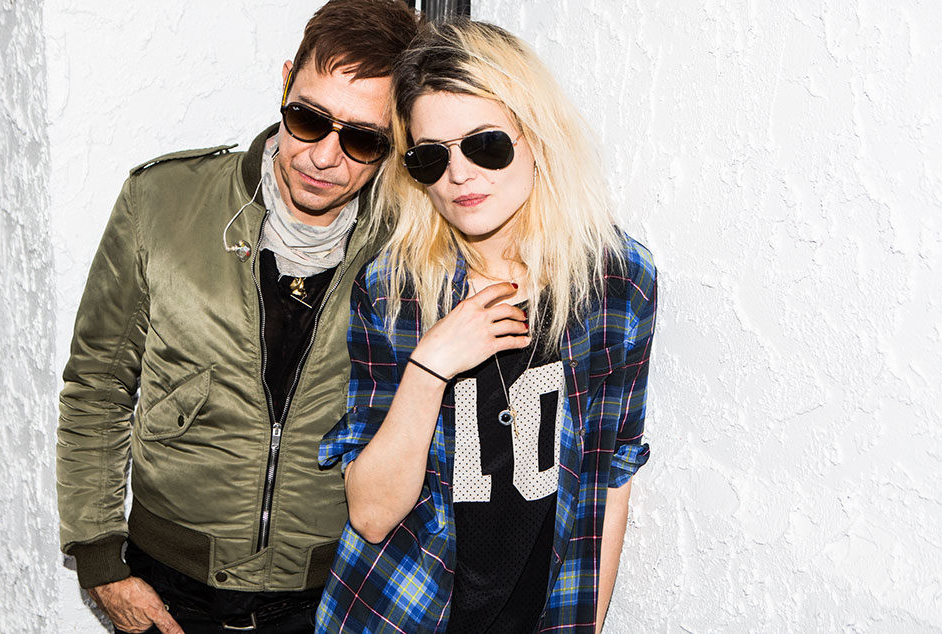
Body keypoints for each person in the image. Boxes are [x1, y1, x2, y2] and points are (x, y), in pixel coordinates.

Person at [56, 2, 419, 632]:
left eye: (362, 139)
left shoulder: (413, 249)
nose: (324, 157)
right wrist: (101, 562)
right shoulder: (163, 202)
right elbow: (97, 385)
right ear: (285, 84)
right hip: (169, 591)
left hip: (331, 596)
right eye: (308, 119)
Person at [316, 18, 658, 634]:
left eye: (486, 145)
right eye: (430, 157)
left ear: (537, 137)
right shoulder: (392, 289)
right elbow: (370, 514)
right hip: (400, 613)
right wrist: (430, 366)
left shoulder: (616, 281)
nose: (459, 176)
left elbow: (609, 482)